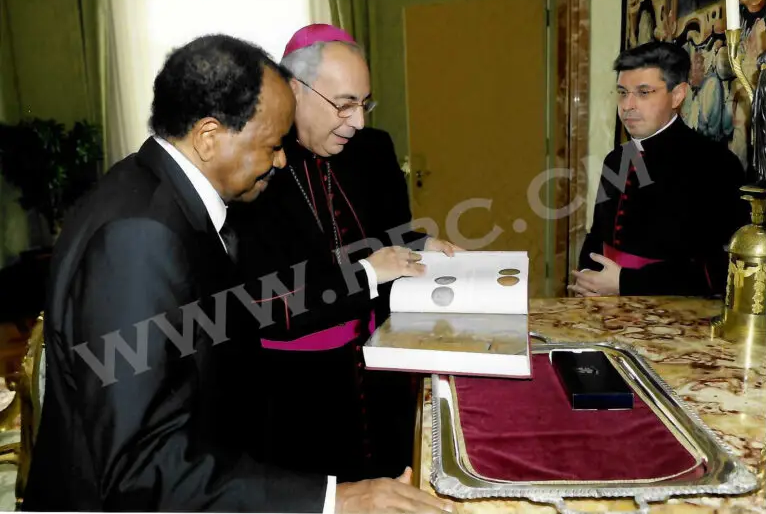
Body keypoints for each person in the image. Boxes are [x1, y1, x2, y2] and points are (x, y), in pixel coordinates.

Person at [23, 34, 451, 514]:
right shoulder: (139, 237)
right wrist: (337, 499)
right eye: (272, 144)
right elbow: (140, 469)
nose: (282, 159)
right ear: (209, 137)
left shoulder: (151, 189)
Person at [227, 24, 459, 483]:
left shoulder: (373, 148)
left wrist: (420, 244)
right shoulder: (253, 164)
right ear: (294, 90)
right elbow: (263, 301)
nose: (358, 122)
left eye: (364, 103)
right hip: (296, 387)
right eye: (344, 104)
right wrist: (367, 273)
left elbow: (387, 232)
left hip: (381, 365)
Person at [570, 41, 748, 297]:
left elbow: (723, 270)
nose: (627, 105)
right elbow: (598, 234)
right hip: (603, 309)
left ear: (677, 95)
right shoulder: (617, 159)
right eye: (622, 92)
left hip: (675, 314)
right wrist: (587, 276)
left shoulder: (715, 165)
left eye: (643, 93)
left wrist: (626, 282)